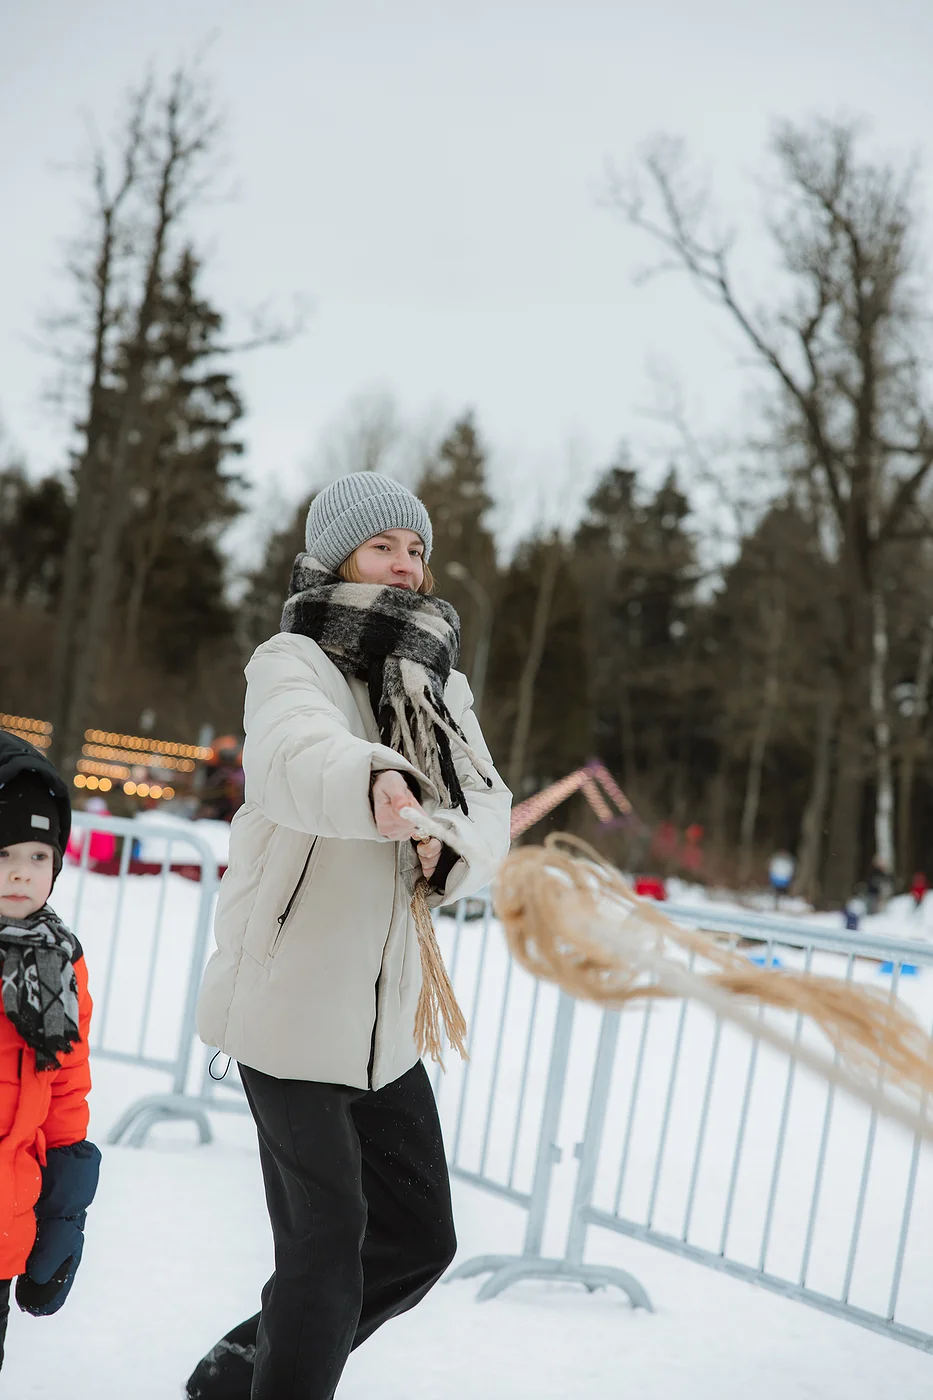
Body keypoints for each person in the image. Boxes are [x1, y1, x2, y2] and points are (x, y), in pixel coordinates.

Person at [188, 473, 511, 1400]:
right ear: (338, 557)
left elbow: (486, 803)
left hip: (384, 1029)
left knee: (417, 1241)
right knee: (326, 1258)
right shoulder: (292, 661)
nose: (406, 566)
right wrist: (375, 780)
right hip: (288, 1014)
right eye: (384, 548)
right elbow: (293, 754)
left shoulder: (440, 685)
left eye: (417, 549)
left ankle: (239, 1372)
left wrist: (450, 851)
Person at [0, 733, 101, 1371]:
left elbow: (66, 1089)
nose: (21, 872)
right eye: (3, 852)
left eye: (39, 854)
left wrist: (63, 1214)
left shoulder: (58, 960)